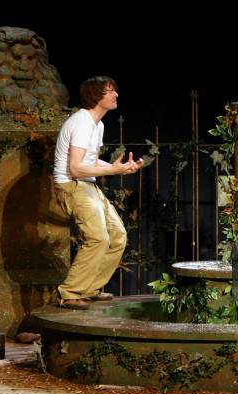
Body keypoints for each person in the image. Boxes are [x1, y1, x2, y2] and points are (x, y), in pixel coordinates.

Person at [53, 76, 144, 310]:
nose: (116, 95)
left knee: (117, 236)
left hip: (87, 184)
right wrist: (114, 170)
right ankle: (70, 292)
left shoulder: (97, 124)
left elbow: (90, 161)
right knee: (97, 238)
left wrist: (122, 168)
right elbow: (74, 168)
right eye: (110, 91)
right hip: (73, 185)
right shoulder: (82, 122)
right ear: (96, 96)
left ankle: (89, 289)